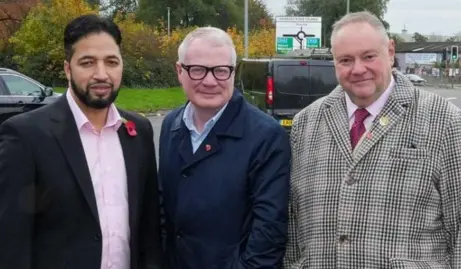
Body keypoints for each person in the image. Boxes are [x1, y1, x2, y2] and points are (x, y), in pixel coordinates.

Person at [284, 11, 461, 268]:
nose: (358, 69)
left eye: (368, 56)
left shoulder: (445, 120)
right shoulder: (306, 123)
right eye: (345, 60)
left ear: (390, 52)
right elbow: (292, 223)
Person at [0, 14, 163, 269]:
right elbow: (11, 241)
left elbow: (148, 227)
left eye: (111, 62)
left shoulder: (138, 132)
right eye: (87, 62)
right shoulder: (25, 135)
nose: (101, 74)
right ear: (68, 69)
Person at [158, 26, 291, 269]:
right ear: (180, 71)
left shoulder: (267, 137)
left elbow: (268, 234)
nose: (210, 81)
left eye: (221, 71)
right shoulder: (171, 126)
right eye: (197, 70)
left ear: (233, 73)